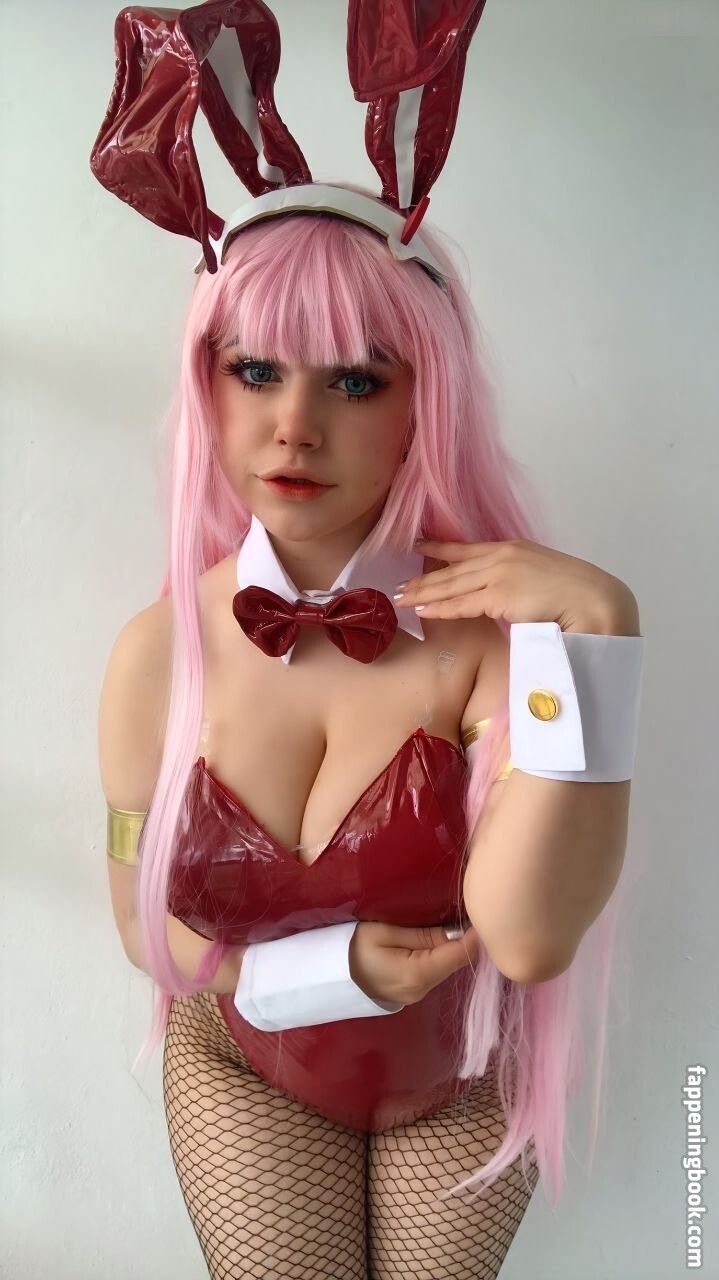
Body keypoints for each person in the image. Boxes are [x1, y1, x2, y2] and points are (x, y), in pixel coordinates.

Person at [94, 4, 645, 1277]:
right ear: (206, 381)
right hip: (242, 1062)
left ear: (422, 399)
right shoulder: (155, 655)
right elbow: (143, 925)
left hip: (458, 1076)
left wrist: (598, 638)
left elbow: (526, 939)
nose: (293, 425)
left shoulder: (495, 650)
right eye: (255, 371)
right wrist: (317, 969)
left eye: (353, 380)